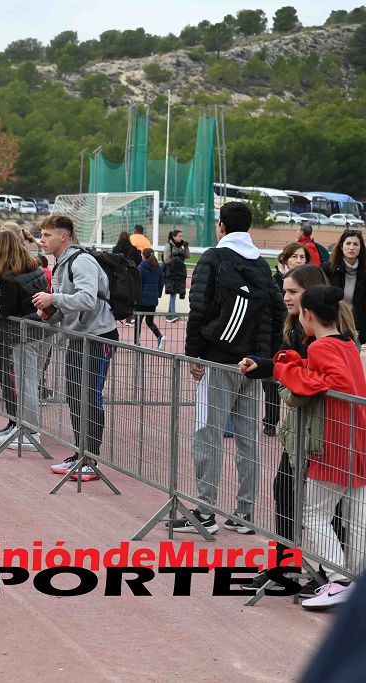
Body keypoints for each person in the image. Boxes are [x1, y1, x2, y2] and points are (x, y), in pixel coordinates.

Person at [172, 201, 286, 535]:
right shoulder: (261, 264)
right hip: (253, 366)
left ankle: (205, 511)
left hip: (217, 361)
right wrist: (266, 356)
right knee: (248, 440)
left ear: (221, 225)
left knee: (207, 433)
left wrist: (194, 355)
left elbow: (198, 309)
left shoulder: (213, 257)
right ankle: (245, 514)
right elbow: (279, 311)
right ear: (248, 227)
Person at [252, 285, 366, 611]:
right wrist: (290, 363)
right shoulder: (347, 343)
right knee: (356, 517)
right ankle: (352, 580)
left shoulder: (321, 347)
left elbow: (321, 381)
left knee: (313, 513)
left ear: (309, 315)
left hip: (332, 443)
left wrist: (281, 369)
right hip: (357, 442)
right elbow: (328, 373)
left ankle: (340, 580)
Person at [238, 265, 335, 590]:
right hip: (298, 430)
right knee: (285, 490)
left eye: (292, 291)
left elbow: (306, 380)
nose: (286, 297)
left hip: (324, 434)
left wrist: (282, 376)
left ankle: (326, 572)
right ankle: (286, 564)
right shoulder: (295, 327)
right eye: (284, 290)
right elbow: (293, 364)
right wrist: (264, 365)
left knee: (327, 508)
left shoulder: (328, 336)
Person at [34, 215, 119, 482]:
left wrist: (53, 298)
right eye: (42, 235)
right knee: (74, 395)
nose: (42, 240)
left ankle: (91, 458)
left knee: (89, 395)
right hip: (78, 336)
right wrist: (51, 313)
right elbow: (68, 305)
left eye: (47, 235)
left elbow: (86, 298)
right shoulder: (61, 264)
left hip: (97, 337)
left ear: (64, 236)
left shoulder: (81, 260)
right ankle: (80, 453)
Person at [0, 230, 49, 450]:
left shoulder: (8, 276)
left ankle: (31, 432)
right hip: (43, 329)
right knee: (32, 381)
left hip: (24, 333)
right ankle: (25, 428)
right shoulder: (35, 266)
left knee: (27, 383)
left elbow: (7, 309)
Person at [324, 229, 366, 345]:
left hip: (355, 327)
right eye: (348, 243)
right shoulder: (328, 269)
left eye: (356, 244)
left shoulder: (364, 272)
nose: (351, 247)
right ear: (341, 247)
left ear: (360, 248)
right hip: (332, 324)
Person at [137, 248, 166, 350]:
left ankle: (137, 342)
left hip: (142, 300)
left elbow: (138, 284)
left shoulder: (141, 267)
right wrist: (157, 294)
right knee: (149, 322)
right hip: (153, 300)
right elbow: (161, 283)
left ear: (143, 256)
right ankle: (159, 336)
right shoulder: (158, 268)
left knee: (138, 320)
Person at [163, 229, 190, 322]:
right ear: (174, 237)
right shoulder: (169, 246)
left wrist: (186, 247)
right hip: (171, 273)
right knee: (173, 293)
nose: (181, 238)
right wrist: (176, 262)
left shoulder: (181, 247)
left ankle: (170, 313)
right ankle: (172, 314)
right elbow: (166, 260)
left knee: (175, 293)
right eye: (179, 236)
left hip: (180, 273)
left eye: (182, 236)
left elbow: (188, 256)